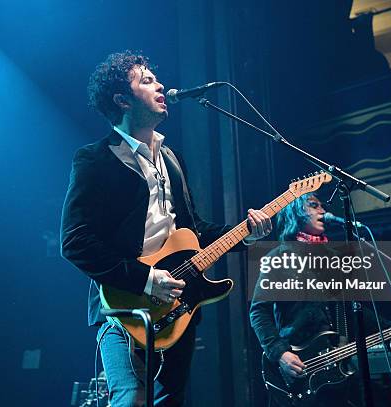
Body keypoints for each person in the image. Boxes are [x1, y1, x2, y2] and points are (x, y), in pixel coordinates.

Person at [60, 50, 272, 407]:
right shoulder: (95, 159)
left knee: (170, 401)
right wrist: (144, 279)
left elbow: (194, 232)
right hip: (123, 305)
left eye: (155, 78)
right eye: (146, 80)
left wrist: (245, 233)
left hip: (178, 304)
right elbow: (75, 242)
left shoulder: (172, 158)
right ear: (122, 100)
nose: (160, 84)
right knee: (131, 400)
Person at [249, 193, 391, 406]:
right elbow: (259, 312)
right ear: (295, 212)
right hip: (299, 363)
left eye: (322, 206)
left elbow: (352, 309)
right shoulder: (279, 258)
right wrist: (280, 354)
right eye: (313, 205)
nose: (322, 211)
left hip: (337, 365)